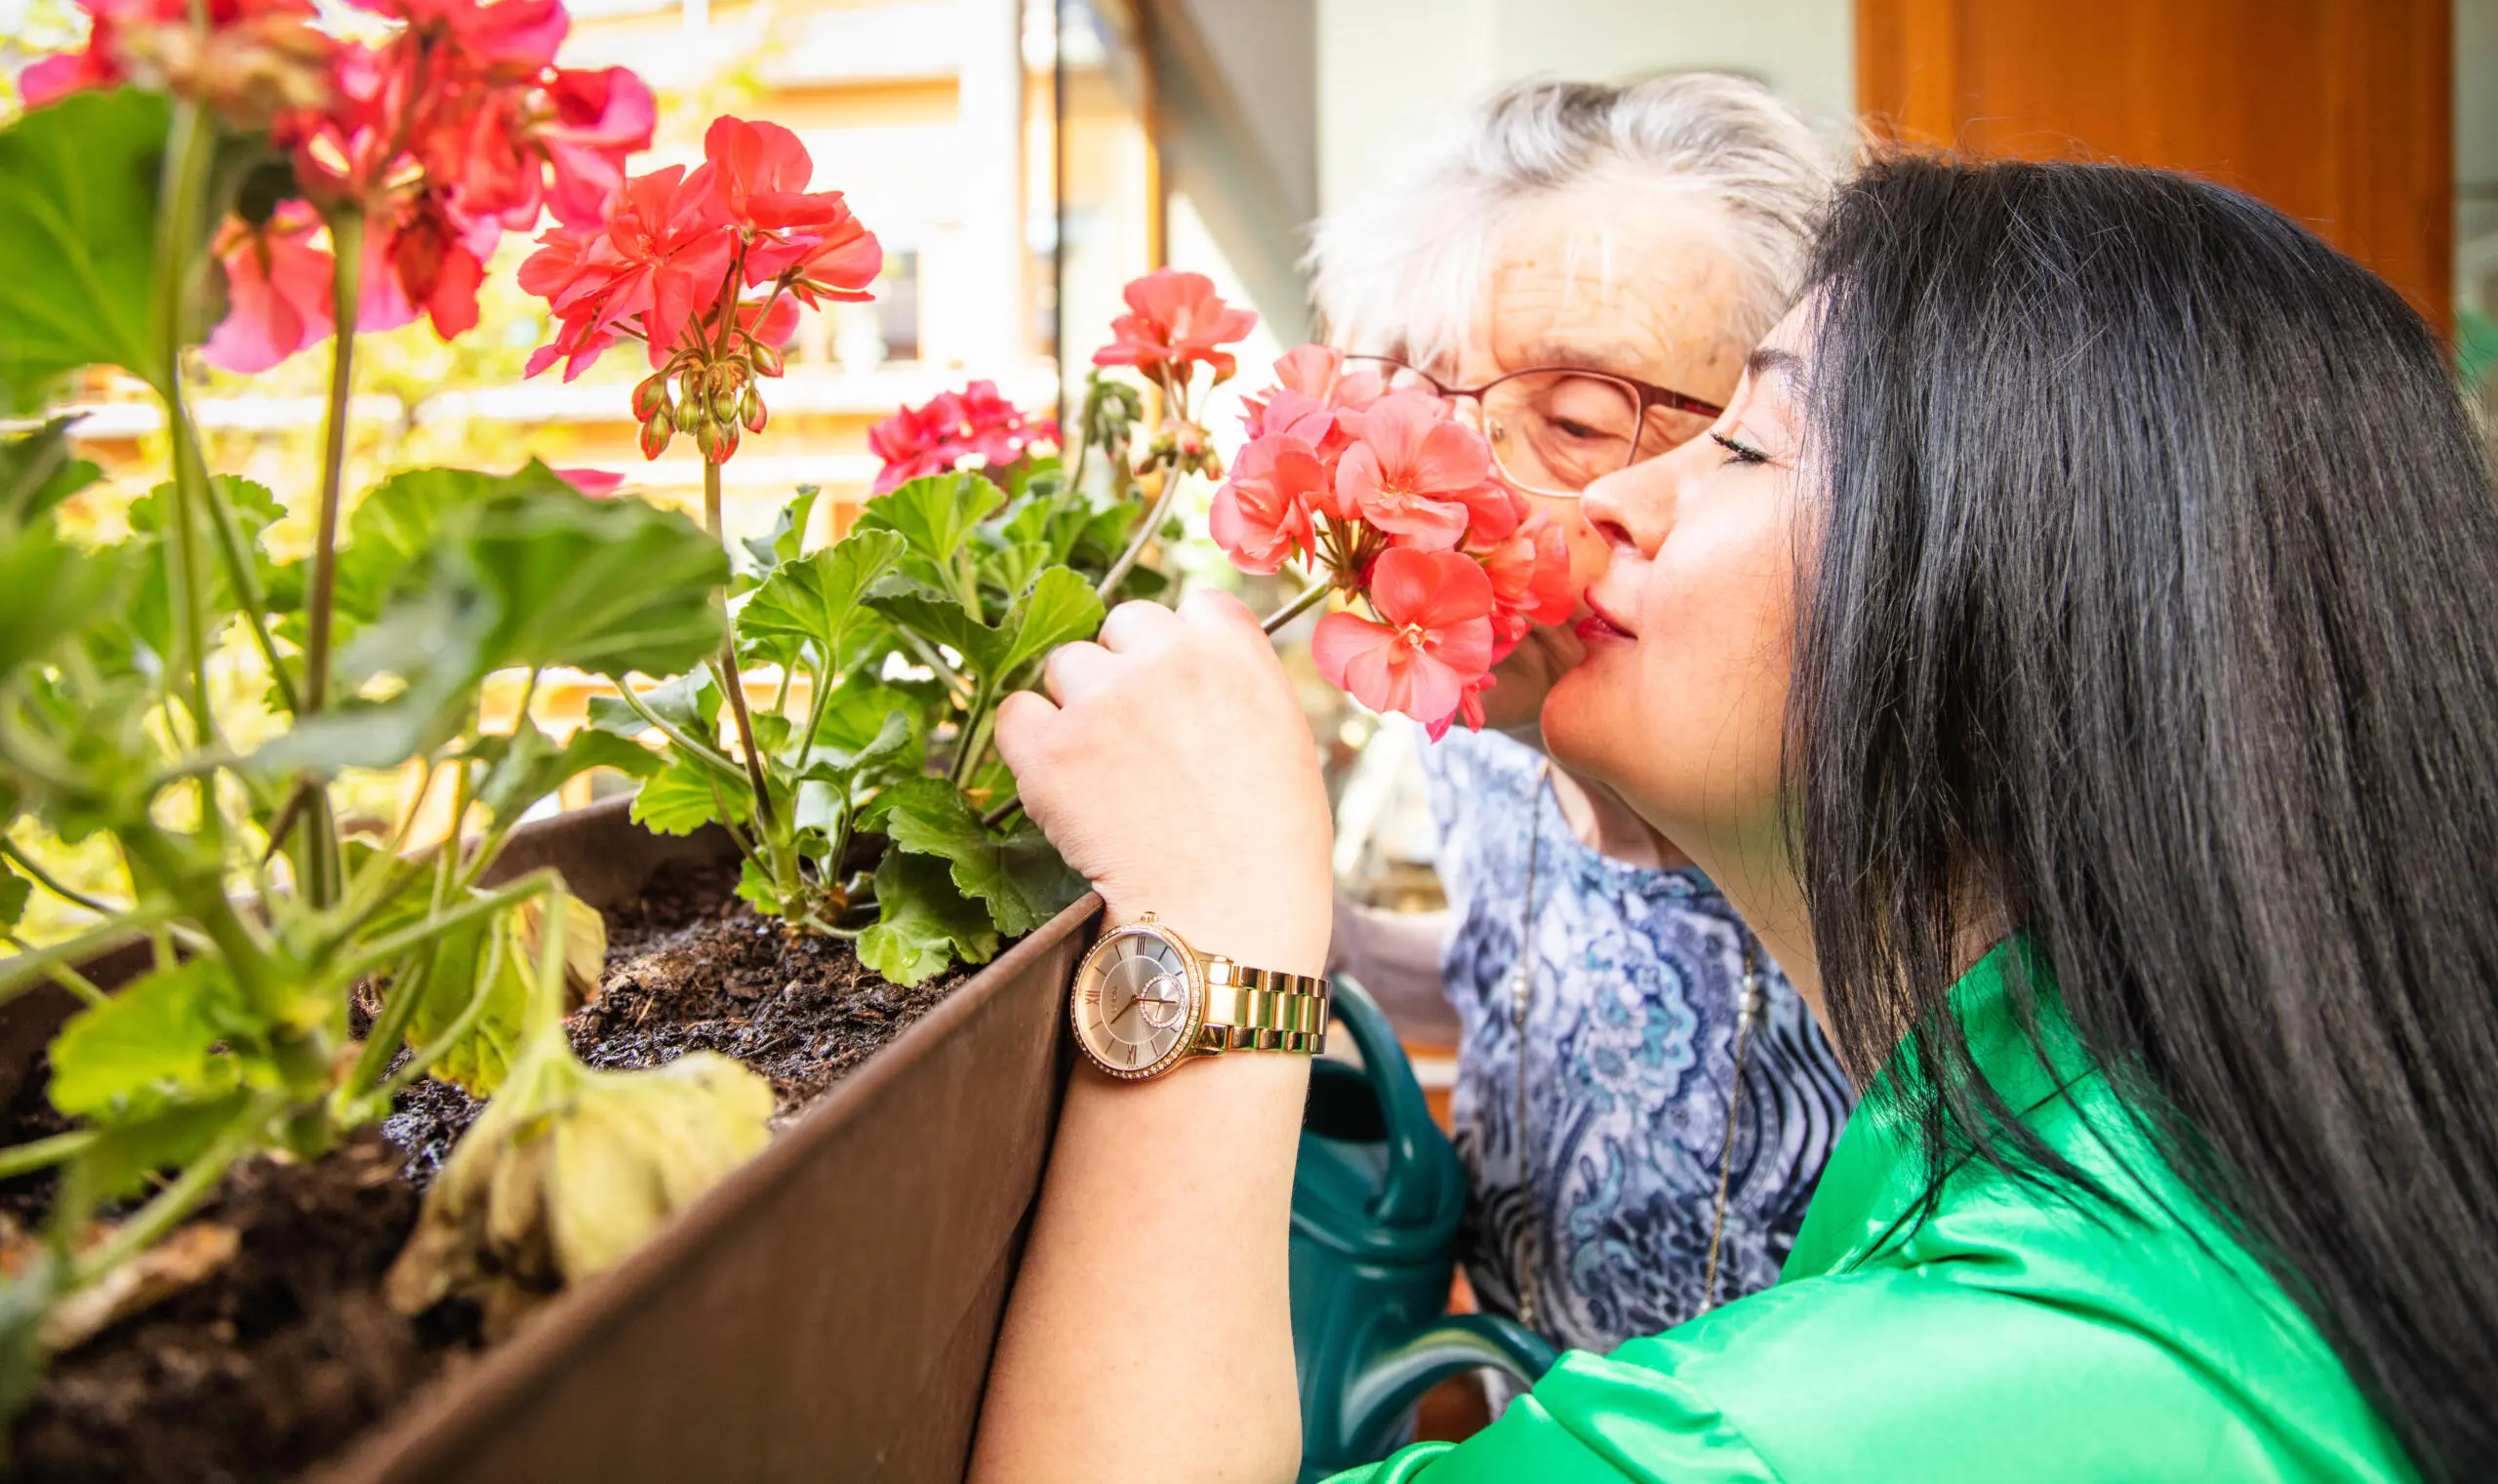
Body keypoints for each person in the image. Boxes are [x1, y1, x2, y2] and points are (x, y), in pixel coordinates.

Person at [968, 154, 2498, 1484]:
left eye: (1743, 442)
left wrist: (1215, 945)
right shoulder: (2205, 1163)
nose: (1592, 506)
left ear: (2020, 614)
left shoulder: (1804, 1426)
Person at [1310, 75, 1855, 1350]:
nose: (1450, 500)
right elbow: (1506, 969)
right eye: (1424, 414)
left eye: (1571, 420)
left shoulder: (1895, 855)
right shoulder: (1481, 748)